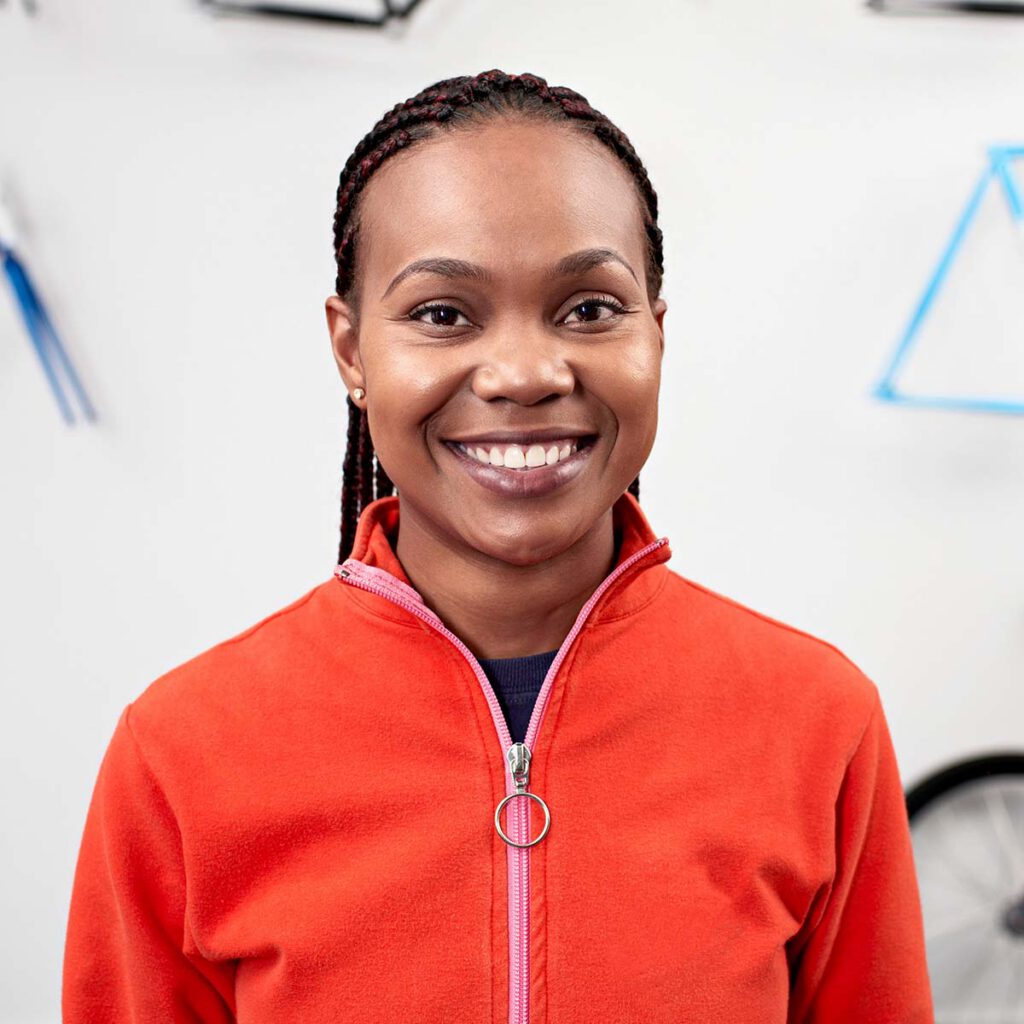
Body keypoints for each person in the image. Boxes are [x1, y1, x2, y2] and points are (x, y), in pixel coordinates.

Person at [62, 69, 935, 1022]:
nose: (523, 373)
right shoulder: (181, 755)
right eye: (442, 313)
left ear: (656, 336)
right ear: (352, 351)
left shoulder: (819, 723)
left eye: (589, 308)